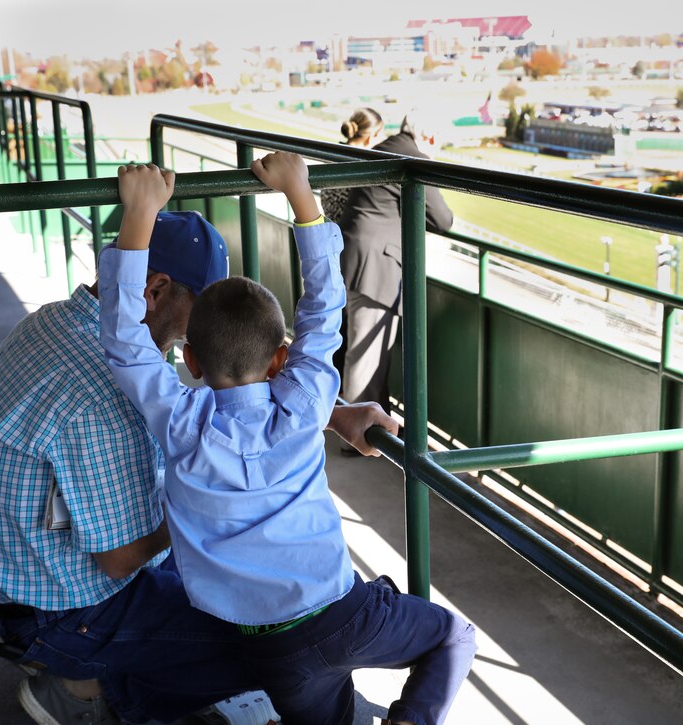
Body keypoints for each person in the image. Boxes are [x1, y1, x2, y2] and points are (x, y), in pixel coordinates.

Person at [0, 194, 398, 723]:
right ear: (156, 289)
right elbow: (119, 559)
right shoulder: (102, 400)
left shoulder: (67, 319)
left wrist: (331, 411)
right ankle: (87, 690)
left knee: (264, 594)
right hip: (59, 609)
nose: (205, 336)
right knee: (285, 635)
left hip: (20, 571)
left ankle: (107, 672)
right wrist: (212, 501)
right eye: (201, 312)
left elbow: (232, 395)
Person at [99, 155, 476, 725]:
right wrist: (301, 196)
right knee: (451, 639)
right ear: (280, 358)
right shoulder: (305, 403)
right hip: (341, 613)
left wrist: (141, 214)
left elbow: (126, 341)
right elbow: (326, 310)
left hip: (265, 648)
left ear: (192, 361)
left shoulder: (180, 423)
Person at [338, 109, 454, 412]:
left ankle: (375, 424)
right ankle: (356, 437)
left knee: (367, 350)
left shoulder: (383, 149)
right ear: (428, 137)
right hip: (375, 267)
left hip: (356, 258)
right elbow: (442, 219)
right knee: (365, 355)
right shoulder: (414, 158)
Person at [320, 107, 383, 222]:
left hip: (332, 224)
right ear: (370, 137)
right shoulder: (363, 166)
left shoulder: (332, 155)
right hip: (351, 227)